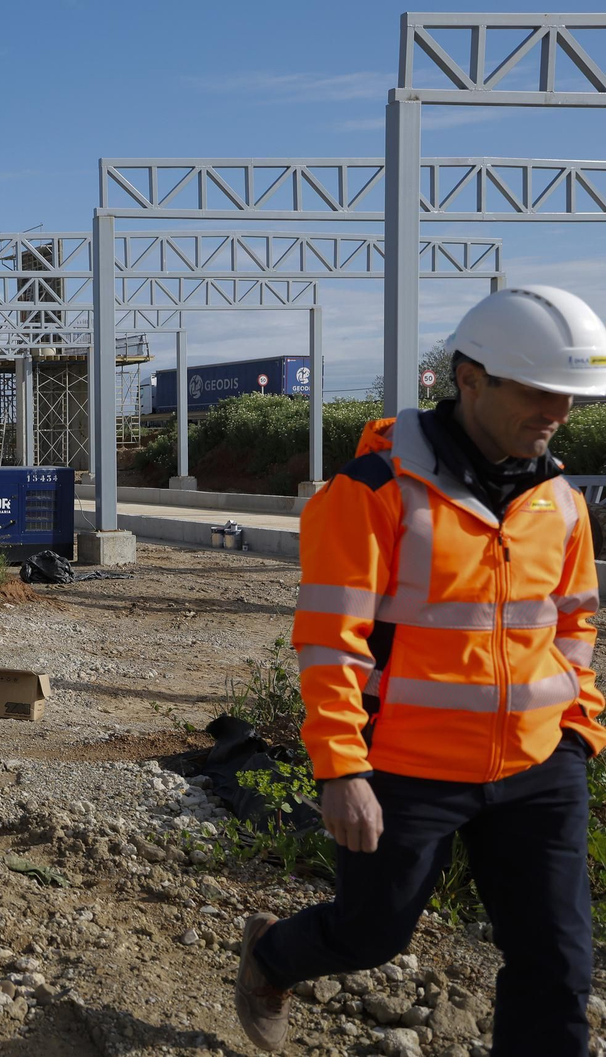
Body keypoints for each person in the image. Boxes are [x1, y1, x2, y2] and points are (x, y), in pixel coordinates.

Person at [235, 285, 606, 1054]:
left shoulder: (561, 502)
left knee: (559, 962)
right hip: (406, 766)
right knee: (371, 932)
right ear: (470, 378)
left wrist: (578, 727)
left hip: (540, 764)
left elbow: (574, 622)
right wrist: (341, 769)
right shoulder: (373, 493)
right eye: (541, 391)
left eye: (569, 396)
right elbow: (331, 641)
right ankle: (272, 954)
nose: (559, 412)